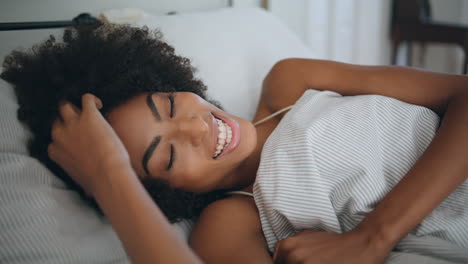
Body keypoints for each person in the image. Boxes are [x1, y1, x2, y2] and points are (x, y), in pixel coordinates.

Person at [2, 23, 467, 264]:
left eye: (167, 104)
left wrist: (373, 237)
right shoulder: (228, 223)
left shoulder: (291, 83)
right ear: (160, 194)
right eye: (166, 155)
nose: (196, 128)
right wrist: (108, 175)